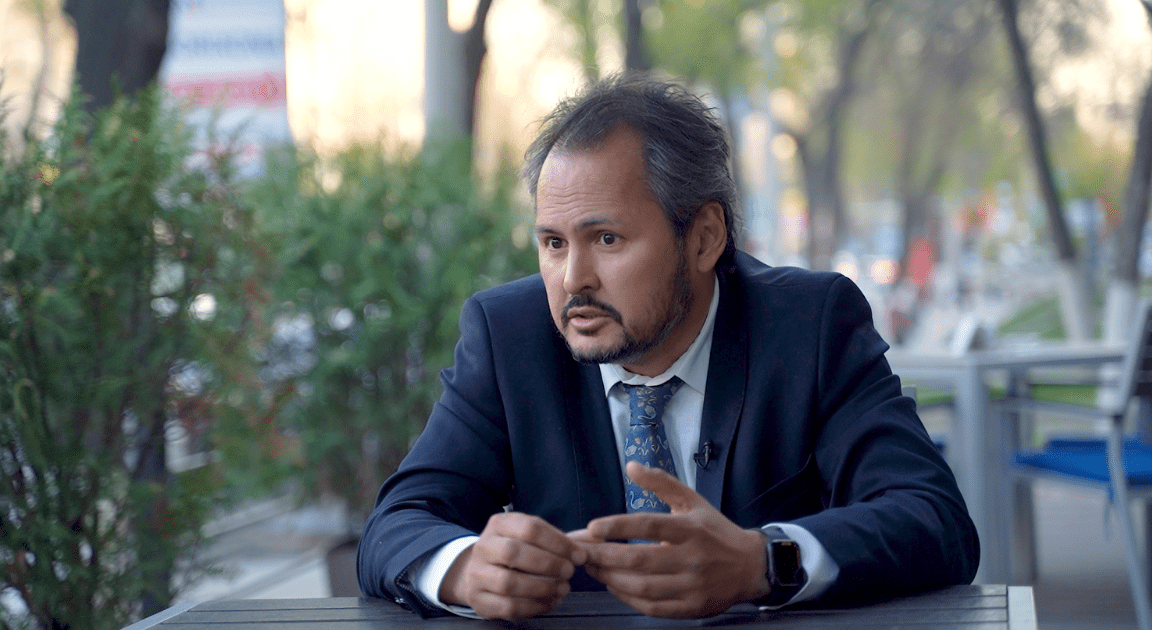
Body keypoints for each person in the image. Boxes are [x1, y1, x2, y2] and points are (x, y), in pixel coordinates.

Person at [356, 74, 978, 620]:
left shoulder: (808, 326)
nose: (573, 280)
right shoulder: (508, 338)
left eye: (606, 239)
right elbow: (396, 524)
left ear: (704, 238)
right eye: (553, 243)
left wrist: (762, 561)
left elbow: (933, 518)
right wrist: (465, 569)